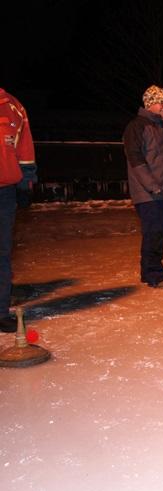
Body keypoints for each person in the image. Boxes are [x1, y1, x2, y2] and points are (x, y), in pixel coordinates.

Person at [123, 85, 163, 289]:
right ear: (149, 104)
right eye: (160, 103)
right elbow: (135, 158)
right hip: (148, 192)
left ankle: (148, 272)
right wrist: (151, 185)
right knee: (154, 233)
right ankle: (155, 275)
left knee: (158, 233)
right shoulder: (137, 126)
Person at [0, 88, 36, 332]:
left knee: (1, 253)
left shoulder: (13, 106)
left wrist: (26, 183)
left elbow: (25, 149)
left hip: (5, 191)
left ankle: (0, 311)